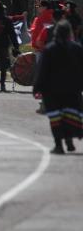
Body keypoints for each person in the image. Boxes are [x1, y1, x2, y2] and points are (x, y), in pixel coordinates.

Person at [33, 20, 83, 154]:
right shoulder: (77, 48)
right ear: (69, 33)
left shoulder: (50, 49)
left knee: (55, 117)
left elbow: (42, 70)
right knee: (68, 116)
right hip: (72, 89)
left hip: (52, 91)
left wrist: (37, 86)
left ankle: (58, 145)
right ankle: (69, 140)